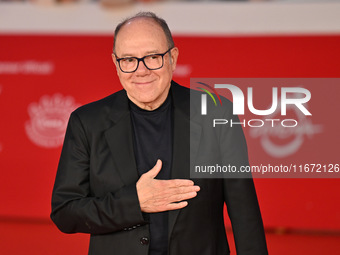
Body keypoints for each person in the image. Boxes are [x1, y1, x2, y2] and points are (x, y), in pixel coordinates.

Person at [51, 12, 268, 255]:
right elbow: (65, 212)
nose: (141, 71)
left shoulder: (217, 112)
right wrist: (135, 203)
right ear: (116, 63)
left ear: (173, 58)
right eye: (129, 60)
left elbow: (244, 212)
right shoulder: (86, 122)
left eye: (153, 57)